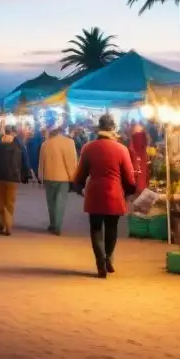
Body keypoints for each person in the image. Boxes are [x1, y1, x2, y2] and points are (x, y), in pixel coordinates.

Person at [73, 114, 135, 278]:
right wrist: (129, 191)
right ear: (113, 129)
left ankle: (100, 263)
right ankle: (108, 257)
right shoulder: (121, 149)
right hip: (114, 193)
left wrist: (78, 186)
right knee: (112, 228)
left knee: (95, 229)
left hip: (94, 193)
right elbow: (129, 176)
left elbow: (81, 173)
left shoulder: (88, 147)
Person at [0, 126, 27, 235]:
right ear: (13, 134)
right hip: (13, 178)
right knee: (10, 202)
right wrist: (25, 176)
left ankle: (1, 224)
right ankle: (8, 225)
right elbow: (24, 162)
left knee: (0, 201)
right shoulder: (19, 146)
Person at [39, 124, 78, 235]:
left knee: (50, 202)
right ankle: (58, 226)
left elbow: (41, 162)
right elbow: (71, 161)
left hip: (48, 177)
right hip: (63, 178)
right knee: (60, 202)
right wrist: (73, 177)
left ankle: (52, 224)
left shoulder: (45, 144)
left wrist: (41, 176)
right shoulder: (69, 143)